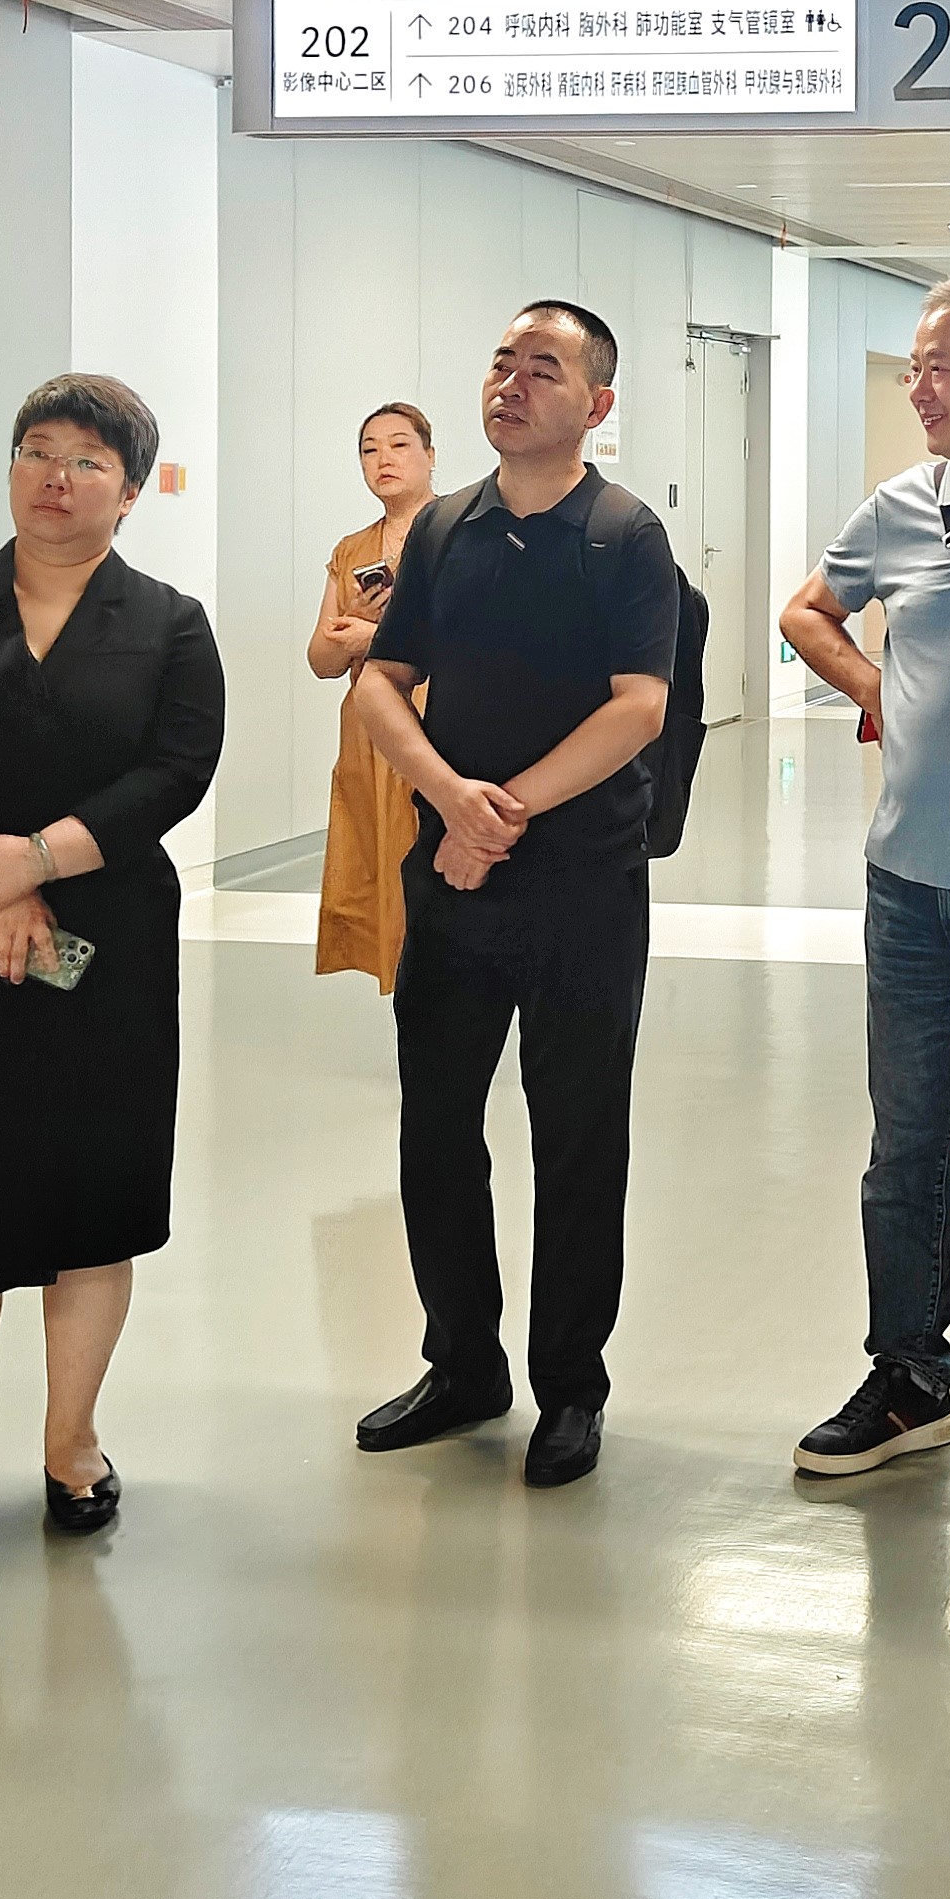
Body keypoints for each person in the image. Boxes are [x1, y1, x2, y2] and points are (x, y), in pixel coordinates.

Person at [0, 374, 225, 1560]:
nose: (55, 478)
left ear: (130, 492)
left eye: (87, 462)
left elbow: (176, 770)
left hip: (108, 944)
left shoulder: (170, 624)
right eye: (35, 452)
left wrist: (44, 858)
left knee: (90, 1200)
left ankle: (73, 1445)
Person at [347, 302, 682, 1492]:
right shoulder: (446, 528)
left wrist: (503, 815)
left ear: (596, 404)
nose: (512, 383)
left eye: (544, 368)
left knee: (578, 1136)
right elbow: (381, 681)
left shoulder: (624, 535)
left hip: (583, 883)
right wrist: (451, 801)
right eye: (502, 363)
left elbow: (639, 705)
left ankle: (570, 1385)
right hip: (451, 877)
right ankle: (463, 1365)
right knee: (435, 1128)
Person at [776, 274, 950, 1475]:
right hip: (910, 886)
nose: (919, 388)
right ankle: (907, 1378)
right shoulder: (901, 508)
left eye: (941, 366)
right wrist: (876, 691)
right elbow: (807, 611)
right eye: (913, 368)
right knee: (910, 1149)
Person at [310, 400, 438, 994]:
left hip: (438, 725)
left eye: (399, 445)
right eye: (369, 449)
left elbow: (478, 640)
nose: (384, 459)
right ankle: (401, 985)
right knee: (379, 868)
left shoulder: (458, 533)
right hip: (367, 735)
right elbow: (321, 659)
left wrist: (374, 638)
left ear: (430, 456)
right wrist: (358, 624)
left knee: (432, 862)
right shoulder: (352, 551)